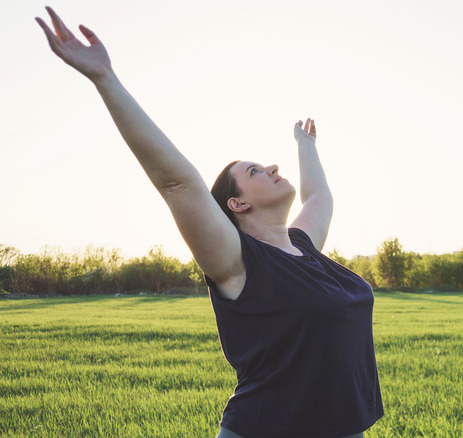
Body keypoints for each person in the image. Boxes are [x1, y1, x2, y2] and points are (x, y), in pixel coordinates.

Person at [35, 7, 383, 438]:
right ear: (236, 204)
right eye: (255, 171)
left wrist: (304, 144)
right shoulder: (235, 260)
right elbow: (176, 182)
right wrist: (105, 78)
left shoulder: (303, 246)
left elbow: (319, 197)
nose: (271, 166)